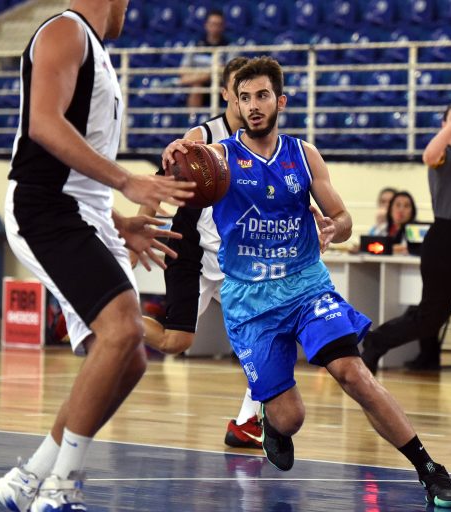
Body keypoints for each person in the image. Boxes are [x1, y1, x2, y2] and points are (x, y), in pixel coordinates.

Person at [162, 56, 451, 508]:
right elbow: (177, 168)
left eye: (262, 95)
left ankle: (429, 469)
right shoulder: (219, 158)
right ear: (235, 104)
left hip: (305, 286)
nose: (253, 105)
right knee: (291, 417)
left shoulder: (304, 155)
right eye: (244, 98)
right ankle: (273, 421)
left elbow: (342, 218)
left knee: (352, 372)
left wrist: (333, 227)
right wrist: (175, 153)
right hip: (250, 301)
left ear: (280, 101)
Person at [0, 2, 194, 511]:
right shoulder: (66, 31)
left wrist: (117, 221)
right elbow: (43, 124)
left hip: (83, 212)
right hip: (45, 207)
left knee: (130, 359)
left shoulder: (94, 47)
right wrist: (127, 181)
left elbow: (80, 166)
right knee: (123, 329)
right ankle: (60, 489)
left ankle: (29, 478)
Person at [136, 56, 265, 450]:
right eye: (239, 89)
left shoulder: (264, 140)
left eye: (254, 92)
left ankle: (246, 423)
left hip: (236, 257)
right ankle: (107, 317)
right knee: (175, 342)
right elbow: (163, 181)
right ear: (227, 93)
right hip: (191, 249)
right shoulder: (201, 134)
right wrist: (140, 225)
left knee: (266, 338)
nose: (246, 98)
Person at [361, 102, 451, 374]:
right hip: (445, 242)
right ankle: (377, 341)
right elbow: (427, 156)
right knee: (430, 320)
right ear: (445, 125)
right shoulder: (442, 155)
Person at [179, 9, 229, 108]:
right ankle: (193, 117)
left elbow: (229, 72)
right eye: (212, 24)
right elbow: (183, 71)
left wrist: (205, 75)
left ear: (223, 26)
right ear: (206, 25)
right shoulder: (195, 44)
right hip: (196, 84)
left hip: (219, 85)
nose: (215, 28)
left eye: (218, 24)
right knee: (197, 87)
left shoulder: (229, 46)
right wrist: (211, 73)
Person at [376, 191, 418, 255]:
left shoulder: (416, 230)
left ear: (412, 211)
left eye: (406, 206)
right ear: (390, 209)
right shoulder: (382, 229)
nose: (401, 210)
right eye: (398, 205)